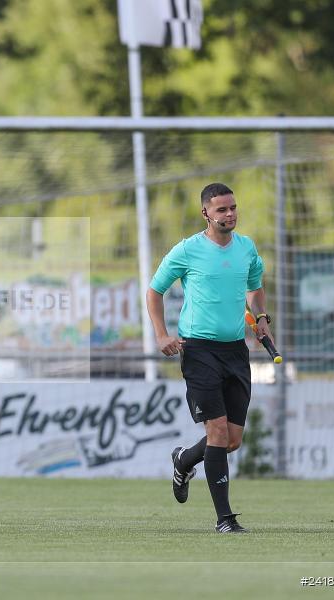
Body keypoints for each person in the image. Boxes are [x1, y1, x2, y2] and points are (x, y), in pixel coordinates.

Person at [146, 182, 273, 534]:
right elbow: (154, 291)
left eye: (232, 208)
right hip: (198, 349)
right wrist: (161, 334)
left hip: (236, 351)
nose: (229, 214)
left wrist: (261, 319)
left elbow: (255, 286)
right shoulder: (187, 250)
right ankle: (225, 519)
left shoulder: (246, 248)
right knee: (216, 432)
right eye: (221, 209)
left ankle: (184, 459)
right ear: (206, 213)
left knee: (232, 440)